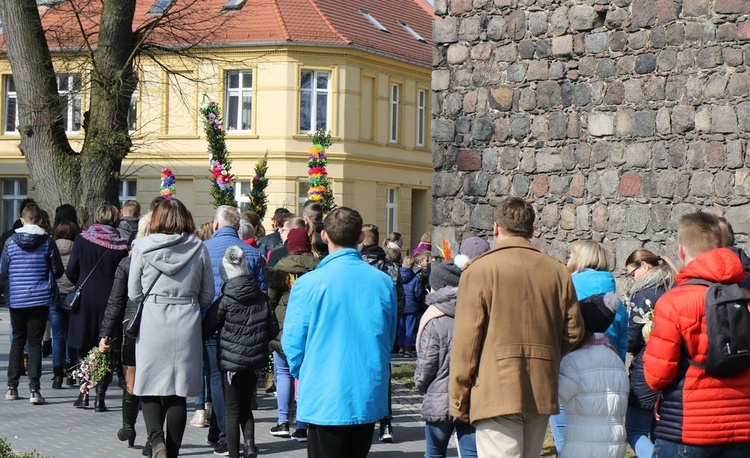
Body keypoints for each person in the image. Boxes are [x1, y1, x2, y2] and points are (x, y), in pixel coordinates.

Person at [449, 197, 583, 458]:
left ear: (496, 228)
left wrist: (458, 399)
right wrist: (546, 354)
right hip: (541, 386)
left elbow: (467, 343)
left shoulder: (479, 270)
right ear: (532, 230)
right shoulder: (558, 271)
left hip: (495, 388)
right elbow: (574, 331)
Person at [282, 207, 397, 458]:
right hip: (365, 389)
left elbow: (292, 343)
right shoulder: (382, 282)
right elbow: (388, 336)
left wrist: (307, 372)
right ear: (360, 238)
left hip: (324, 391)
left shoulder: (308, 284)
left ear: (324, 236)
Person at [643, 212, 750, 457]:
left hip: (689, 429)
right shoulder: (745, 298)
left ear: (681, 250)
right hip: (743, 426)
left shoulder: (673, 302)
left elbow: (656, 377)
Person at [128, 198, 214, 458]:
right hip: (186, 320)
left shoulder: (142, 247)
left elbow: (133, 292)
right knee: (179, 392)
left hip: (153, 319)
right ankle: (173, 451)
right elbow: (208, 293)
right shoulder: (199, 248)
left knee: (149, 385)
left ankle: (157, 443)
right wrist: (188, 303)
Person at [550, 240, 628, 453]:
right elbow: (622, 340)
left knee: (569, 431)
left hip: (572, 365)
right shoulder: (615, 299)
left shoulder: (568, 288)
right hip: (609, 370)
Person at [203, 205, 267, 455]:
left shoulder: (203, 250)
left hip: (212, 323)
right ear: (237, 225)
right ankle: (225, 435)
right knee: (240, 389)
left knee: (217, 381)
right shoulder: (252, 253)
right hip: (246, 330)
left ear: (216, 224)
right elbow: (260, 292)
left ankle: (222, 437)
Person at [98, 214, 155, 451]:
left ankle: (128, 426)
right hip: (161, 326)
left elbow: (116, 301)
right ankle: (154, 437)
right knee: (156, 384)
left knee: (131, 378)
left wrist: (105, 333)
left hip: (131, 325)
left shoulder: (128, 262)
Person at [66, 203, 129, 411]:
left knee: (84, 348)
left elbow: (71, 271)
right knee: (106, 348)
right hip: (110, 302)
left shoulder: (82, 240)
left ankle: (84, 393)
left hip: (85, 300)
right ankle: (100, 398)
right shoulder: (121, 245)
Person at [2, 203, 64, 404]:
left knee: (18, 341)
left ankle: (12, 386)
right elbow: (58, 271)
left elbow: (2, 270)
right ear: (39, 221)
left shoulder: (10, 242)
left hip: (17, 299)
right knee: (35, 343)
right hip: (39, 299)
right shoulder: (47, 242)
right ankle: (35, 390)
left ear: (22, 220)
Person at [415, 260, 477, 458]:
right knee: (471, 454)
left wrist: (421, 385)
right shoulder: (478, 313)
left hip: (440, 396)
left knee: (434, 453)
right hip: (471, 397)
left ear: (438, 287)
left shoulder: (434, 320)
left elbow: (426, 364)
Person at [558, 293, 629, 458]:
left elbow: (556, 396)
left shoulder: (573, 361)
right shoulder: (615, 359)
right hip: (615, 445)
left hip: (583, 445)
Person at [267, 227, 320, 442]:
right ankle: (302, 424)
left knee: (283, 373)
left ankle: (282, 422)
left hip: (284, 327)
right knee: (306, 374)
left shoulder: (280, 267)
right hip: (311, 328)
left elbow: (271, 299)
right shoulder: (319, 267)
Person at [624, 248, 677, 458]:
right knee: (661, 429)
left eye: (631, 274)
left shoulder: (643, 293)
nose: (631, 279)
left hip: (648, 366)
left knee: (635, 429)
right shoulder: (674, 286)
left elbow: (633, 337)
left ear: (644, 266)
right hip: (673, 365)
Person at [360, 223, 405, 442]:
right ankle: (386, 424)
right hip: (384, 327)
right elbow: (401, 303)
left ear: (361, 240)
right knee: (383, 373)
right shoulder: (392, 268)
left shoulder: (357, 265)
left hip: (358, 327)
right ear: (378, 240)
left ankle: (363, 419)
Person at [50, 219, 81, 389]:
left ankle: (57, 376)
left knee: (58, 336)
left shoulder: (51, 245)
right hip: (72, 295)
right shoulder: (77, 247)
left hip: (55, 294)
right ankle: (71, 373)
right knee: (71, 335)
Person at [398, 256, 422, 357]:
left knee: (400, 327)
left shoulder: (396, 275)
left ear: (403, 264)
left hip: (399, 305)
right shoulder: (416, 278)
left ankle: (400, 347)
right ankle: (408, 349)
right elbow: (418, 293)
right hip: (411, 306)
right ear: (412, 266)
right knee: (410, 328)